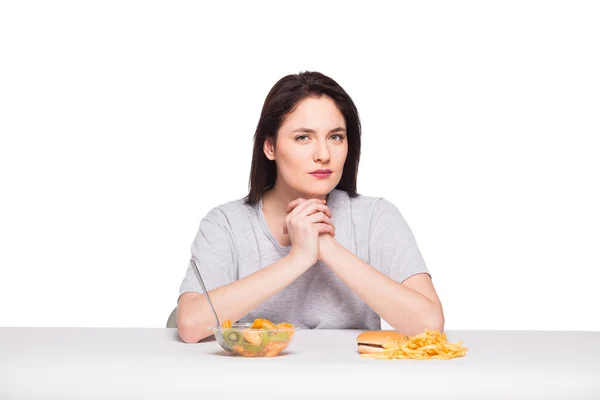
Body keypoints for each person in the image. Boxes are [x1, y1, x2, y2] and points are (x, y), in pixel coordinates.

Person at [176, 71, 444, 344]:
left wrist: (326, 247)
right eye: (303, 137)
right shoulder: (226, 223)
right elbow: (190, 325)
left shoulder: (376, 217)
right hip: (253, 381)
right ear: (270, 146)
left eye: (336, 137)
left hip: (353, 381)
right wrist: (298, 258)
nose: (324, 154)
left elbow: (429, 326)